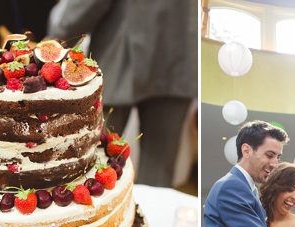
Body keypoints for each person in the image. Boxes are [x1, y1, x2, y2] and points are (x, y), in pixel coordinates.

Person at [48, 0, 197, 187]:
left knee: (93, 161)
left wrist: (58, 34)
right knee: (158, 170)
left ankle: (97, 216)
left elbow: (85, 6)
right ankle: (148, 216)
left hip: (119, 54)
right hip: (180, 55)